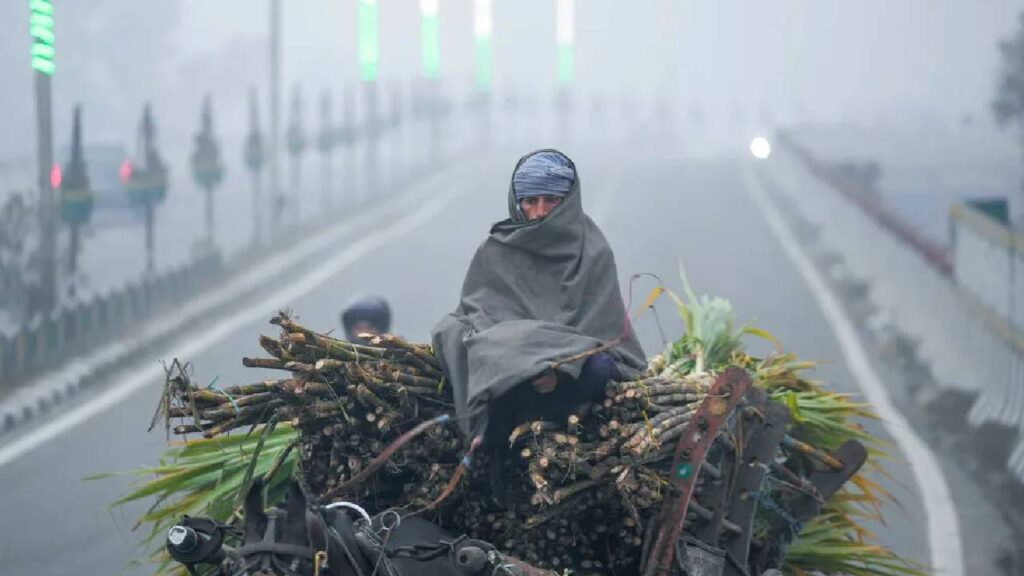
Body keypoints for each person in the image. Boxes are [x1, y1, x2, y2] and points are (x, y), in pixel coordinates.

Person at [431, 149, 646, 501]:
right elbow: (479, 320)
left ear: (568, 201)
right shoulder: (495, 250)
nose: (541, 211)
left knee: (599, 366)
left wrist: (562, 369)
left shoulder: (592, 252)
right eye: (530, 201)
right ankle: (495, 463)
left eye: (551, 200)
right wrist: (521, 365)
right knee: (454, 334)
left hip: (571, 380)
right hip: (509, 375)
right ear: (518, 203)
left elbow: (601, 335)